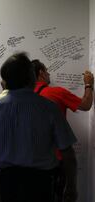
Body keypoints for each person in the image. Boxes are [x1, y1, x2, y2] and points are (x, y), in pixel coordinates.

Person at [0, 53, 78, 202]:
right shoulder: (49, 108)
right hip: (41, 183)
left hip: (8, 183)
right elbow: (68, 153)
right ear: (31, 77)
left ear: (6, 81)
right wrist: (71, 186)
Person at [32, 59, 93, 202]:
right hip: (56, 160)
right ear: (41, 73)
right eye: (47, 71)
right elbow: (86, 105)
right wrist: (88, 84)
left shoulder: (21, 97)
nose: (48, 74)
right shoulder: (56, 92)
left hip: (30, 162)